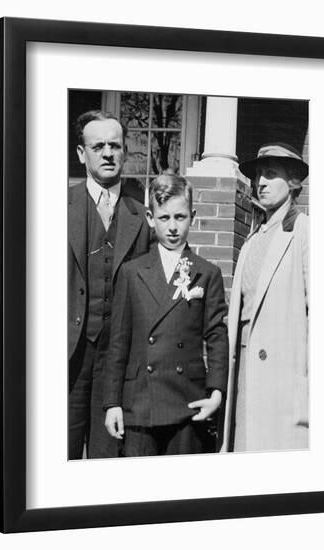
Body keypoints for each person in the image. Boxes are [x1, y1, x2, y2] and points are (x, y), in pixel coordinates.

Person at [103, 174, 228, 456]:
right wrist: (112, 403)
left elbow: (217, 336)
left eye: (180, 217)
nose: (172, 227)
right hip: (140, 403)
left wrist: (216, 393)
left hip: (188, 402)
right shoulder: (131, 271)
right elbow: (118, 343)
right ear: (150, 217)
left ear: (192, 217)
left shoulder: (206, 273)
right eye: (164, 217)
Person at [68, 110, 151, 459]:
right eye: (98, 145)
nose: (107, 153)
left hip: (117, 364)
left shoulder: (142, 216)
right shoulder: (51, 208)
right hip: (67, 359)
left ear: (125, 152)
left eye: (115, 145)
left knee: (107, 461)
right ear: (81, 153)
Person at [221, 143, 309, 453]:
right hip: (246, 372)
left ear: (294, 182)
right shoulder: (251, 240)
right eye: (259, 175)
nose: (261, 182)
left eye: (271, 174)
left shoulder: (304, 231)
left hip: (283, 382)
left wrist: (307, 386)